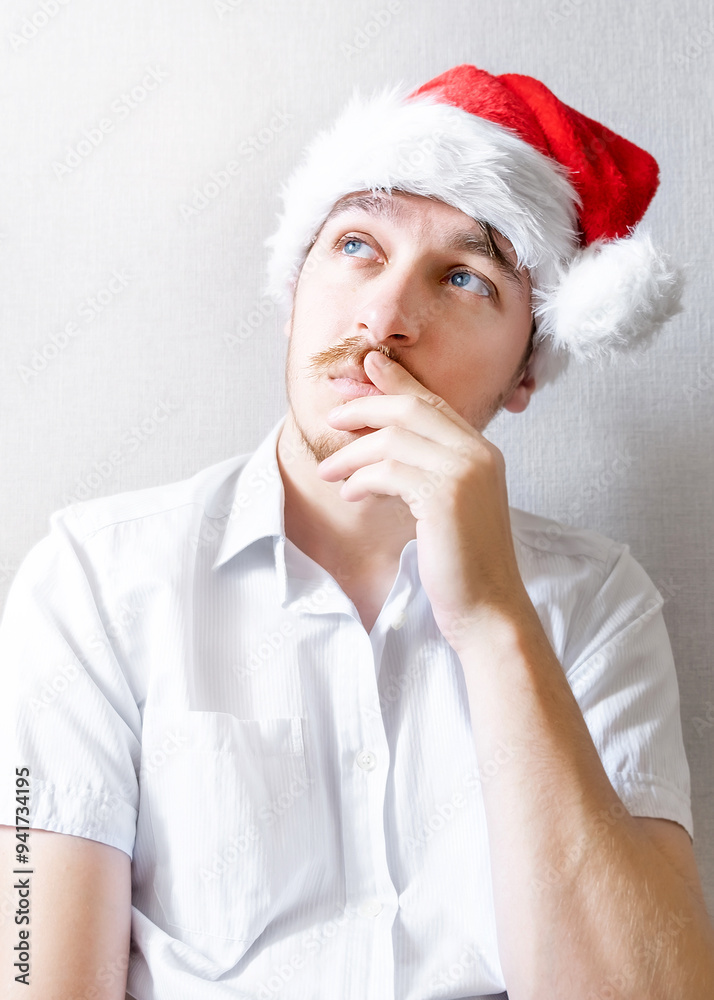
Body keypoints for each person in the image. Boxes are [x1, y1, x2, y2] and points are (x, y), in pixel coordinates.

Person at [1, 63, 712, 999]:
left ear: (526, 373)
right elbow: (33, 969)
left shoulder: (596, 604)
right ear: (296, 289)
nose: (384, 316)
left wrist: (494, 618)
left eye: (464, 277)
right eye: (355, 247)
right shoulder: (94, 579)